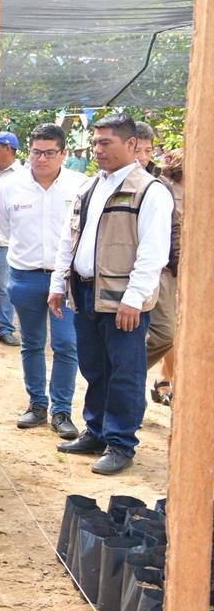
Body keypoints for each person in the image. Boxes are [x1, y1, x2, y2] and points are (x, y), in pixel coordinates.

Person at [50, 113, 174, 475]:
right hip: (86, 292)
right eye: (96, 142)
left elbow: (154, 251)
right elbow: (68, 237)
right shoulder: (90, 186)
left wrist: (134, 298)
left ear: (132, 145)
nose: (98, 149)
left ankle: (121, 442)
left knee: (125, 370)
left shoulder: (149, 190)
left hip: (123, 299)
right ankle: (97, 430)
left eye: (106, 142)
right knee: (94, 366)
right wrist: (59, 284)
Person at [0, 123, 81, 440]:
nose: (41, 159)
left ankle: (62, 411)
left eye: (49, 153)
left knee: (66, 344)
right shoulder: (10, 187)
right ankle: (37, 404)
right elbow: (2, 225)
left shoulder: (79, 186)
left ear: (63, 153)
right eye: (36, 152)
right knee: (31, 343)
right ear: (28, 152)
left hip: (67, 281)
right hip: (24, 276)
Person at [134, 123, 183, 407]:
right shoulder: (109, 182)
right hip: (122, 273)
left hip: (160, 270)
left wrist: (175, 265)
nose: (142, 155)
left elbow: (173, 228)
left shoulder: (160, 183)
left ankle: (131, 373)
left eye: (147, 150)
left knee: (166, 334)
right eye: (137, 149)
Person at [150, 148, 184, 405]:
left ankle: (164, 378)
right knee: (169, 331)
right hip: (168, 269)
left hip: (189, 270)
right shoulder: (163, 189)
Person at [0, 131, 23, 346]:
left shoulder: (21, 176)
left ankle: (5, 328)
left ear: (7, 148)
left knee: (5, 287)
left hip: (3, 240)